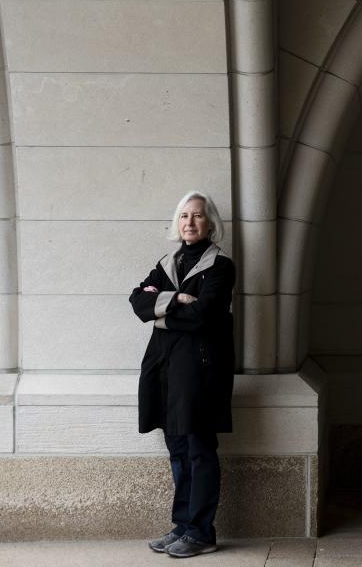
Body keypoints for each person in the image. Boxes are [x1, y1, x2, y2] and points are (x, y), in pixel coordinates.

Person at [129, 191, 235, 558]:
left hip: (199, 371)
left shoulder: (220, 266)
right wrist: (176, 299)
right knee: (177, 448)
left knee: (199, 449)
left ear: (211, 223)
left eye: (198, 216)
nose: (189, 222)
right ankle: (183, 525)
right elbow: (136, 301)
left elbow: (203, 315)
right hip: (166, 368)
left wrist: (161, 304)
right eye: (184, 216)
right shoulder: (168, 261)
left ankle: (202, 531)